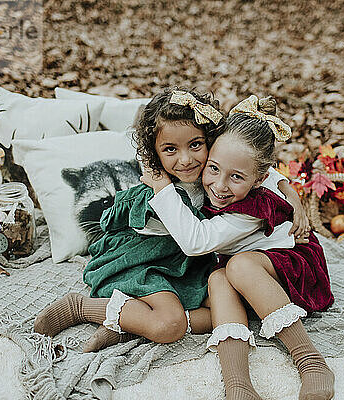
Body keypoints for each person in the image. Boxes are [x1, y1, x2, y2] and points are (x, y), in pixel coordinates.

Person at [34, 88, 304, 352]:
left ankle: (129, 324)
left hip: (188, 265)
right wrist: (161, 191)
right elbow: (180, 237)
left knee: (234, 308)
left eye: (195, 145)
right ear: (155, 153)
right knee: (169, 324)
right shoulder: (157, 189)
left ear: (212, 141)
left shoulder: (215, 171)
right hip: (144, 261)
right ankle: (79, 307)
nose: (186, 160)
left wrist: (288, 190)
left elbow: (252, 165)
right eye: (170, 149)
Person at [142, 95, 334, 400]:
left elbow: (196, 242)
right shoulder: (232, 169)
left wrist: (163, 189)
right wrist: (291, 192)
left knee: (237, 266)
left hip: (293, 265)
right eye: (214, 169)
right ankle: (238, 386)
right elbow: (273, 174)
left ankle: (311, 361)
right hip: (251, 268)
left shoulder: (249, 209)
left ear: (257, 180)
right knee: (218, 278)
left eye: (236, 177)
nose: (220, 185)